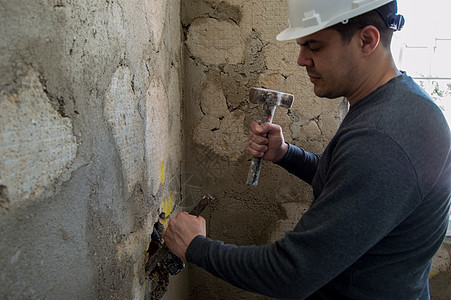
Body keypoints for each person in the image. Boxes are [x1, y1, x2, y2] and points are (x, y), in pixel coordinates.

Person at [163, 0, 451, 298]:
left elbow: (290, 272)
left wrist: (196, 247)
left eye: (314, 46)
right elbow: (348, 184)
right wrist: (287, 154)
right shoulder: (398, 106)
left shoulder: (383, 137)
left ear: (367, 40)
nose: (301, 60)